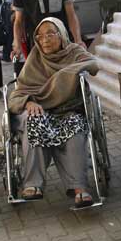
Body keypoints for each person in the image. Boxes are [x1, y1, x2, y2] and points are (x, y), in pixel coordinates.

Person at [8, 17, 98, 208]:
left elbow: (93, 64)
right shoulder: (35, 57)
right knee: (34, 122)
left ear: (62, 34)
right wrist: (28, 101)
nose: (45, 39)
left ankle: (79, 187)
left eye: (50, 33)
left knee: (74, 127)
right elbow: (19, 92)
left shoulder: (74, 51)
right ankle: (33, 184)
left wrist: (63, 76)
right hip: (40, 109)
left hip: (68, 109)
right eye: (40, 36)